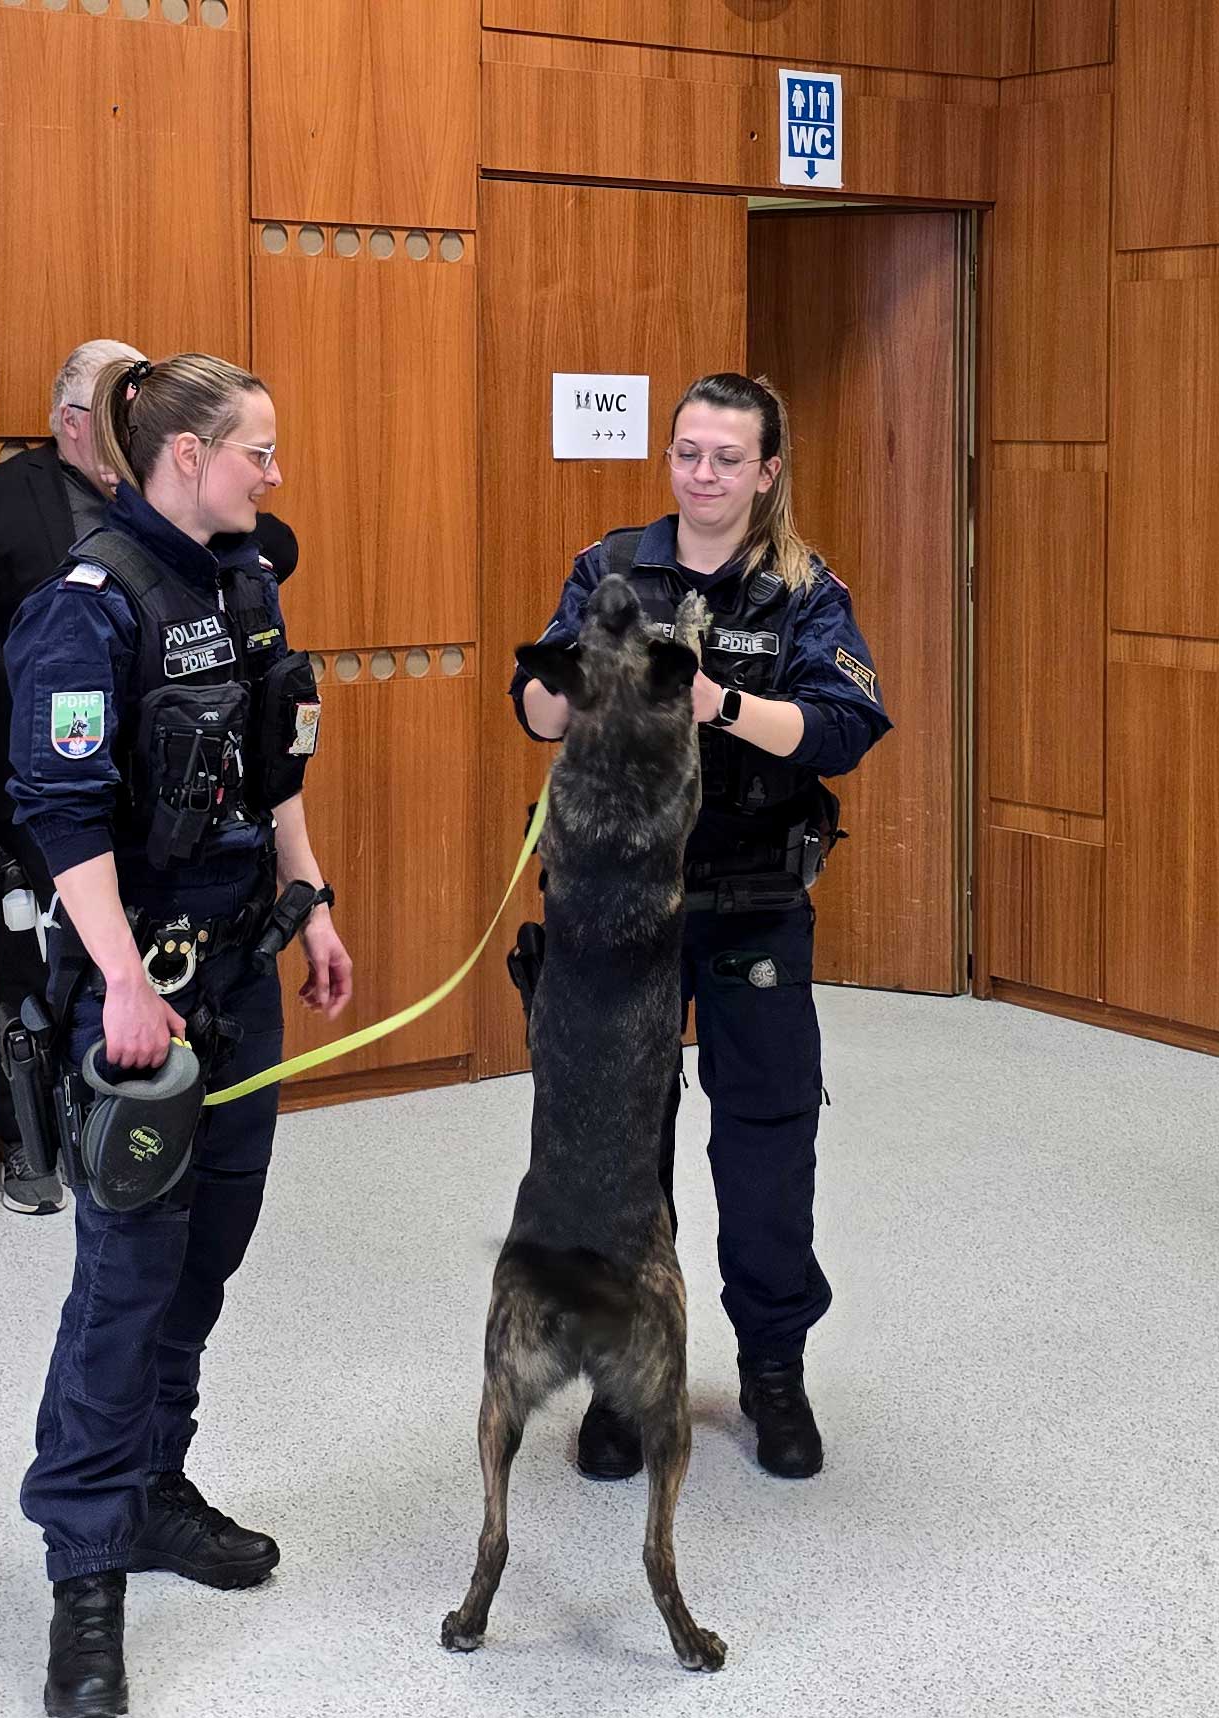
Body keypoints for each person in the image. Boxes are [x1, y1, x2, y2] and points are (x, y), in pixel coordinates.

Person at [6, 353, 351, 1718]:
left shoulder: (245, 580)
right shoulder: (85, 608)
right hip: (135, 988)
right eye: (258, 450)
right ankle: (84, 1572)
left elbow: (275, 763)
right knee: (125, 1279)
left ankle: (154, 1486)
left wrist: (310, 898)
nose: (275, 472)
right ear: (187, 457)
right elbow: (61, 816)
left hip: (242, 972)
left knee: (206, 1255)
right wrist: (121, 985)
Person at [512, 372, 891, 1481]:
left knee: (765, 1144)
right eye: (687, 453)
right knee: (616, 1149)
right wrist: (585, 682)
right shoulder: (610, 567)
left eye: (727, 458)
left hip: (750, 900)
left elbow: (841, 727)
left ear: (766, 472)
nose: (703, 475)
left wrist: (716, 702)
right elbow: (532, 708)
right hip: (616, 903)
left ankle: (772, 1367)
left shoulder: (802, 591)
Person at [0, 337, 299, 1215]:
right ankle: (33, 1139)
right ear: (67, 422)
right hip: (44, 777)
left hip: (174, 793)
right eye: (112, 415)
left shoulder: (204, 529)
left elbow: (272, 551)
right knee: (40, 962)